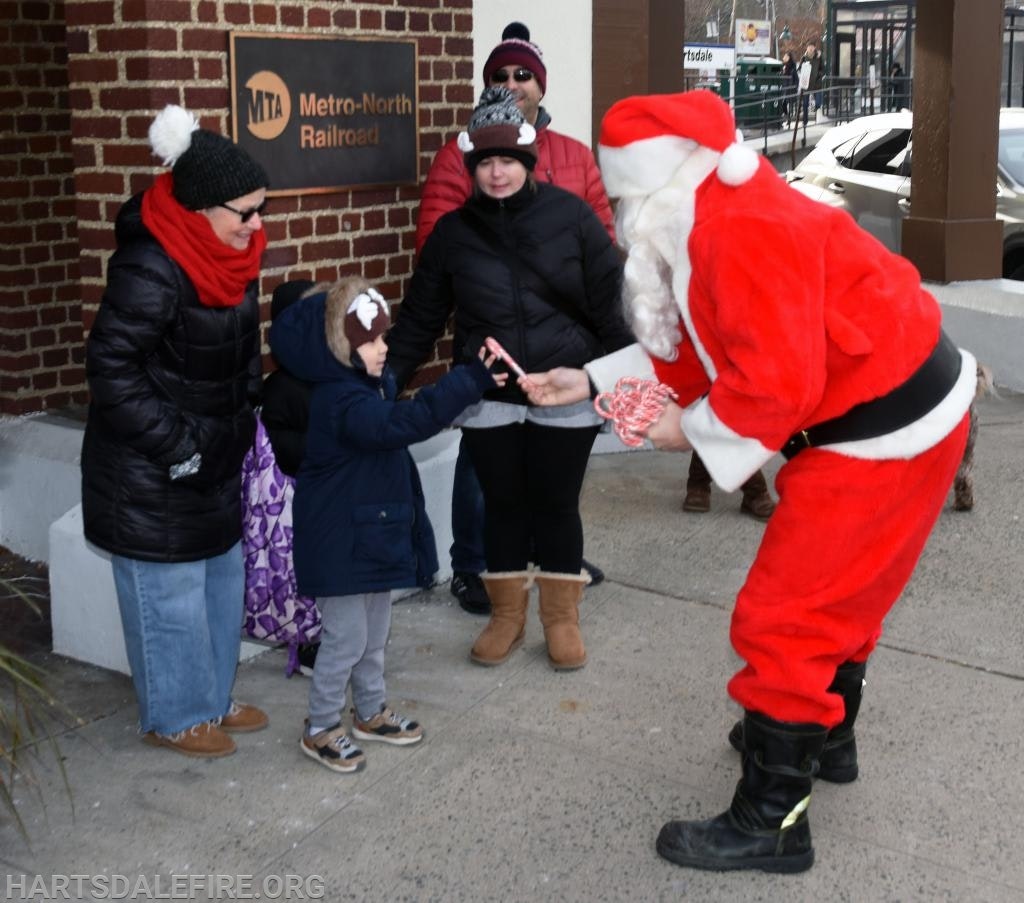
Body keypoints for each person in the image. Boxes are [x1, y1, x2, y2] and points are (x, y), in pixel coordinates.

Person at [521, 89, 974, 872]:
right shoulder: (708, 217)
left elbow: (773, 384)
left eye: (625, 197)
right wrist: (589, 380)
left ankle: (773, 819)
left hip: (883, 426)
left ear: (655, 187)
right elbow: (692, 344)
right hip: (894, 405)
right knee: (842, 596)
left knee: (786, 613)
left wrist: (683, 428)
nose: (622, 217)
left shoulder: (738, 231)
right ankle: (820, 740)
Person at [387, 86, 634, 671]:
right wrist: (385, 381)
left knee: (554, 504)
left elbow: (611, 309)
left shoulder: (571, 218)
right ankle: (506, 617)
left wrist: (617, 381)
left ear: (528, 161)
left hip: (566, 388)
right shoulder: (454, 234)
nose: (497, 173)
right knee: (501, 506)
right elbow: (422, 316)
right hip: (487, 395)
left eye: (508, 161)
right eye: (486, 162)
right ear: (472, 167)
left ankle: (560, 618)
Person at [81, 104, 271, 758]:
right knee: (170, 595)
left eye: (260, 209)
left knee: (220, 583)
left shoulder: (233, 257)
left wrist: (245, 419)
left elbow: (245, 355)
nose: (257, 224)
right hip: (152, 466)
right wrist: (179, 445)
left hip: (213, 455)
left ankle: (212, 697)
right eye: (244, 211)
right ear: (199, 209)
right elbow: (110, 366)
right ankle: (175, 713)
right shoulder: (151, 266)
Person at [415, 21, 615, 616]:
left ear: (540, 85)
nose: (512, 82)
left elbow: (601, 244)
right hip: (495, 353)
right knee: (486, 478)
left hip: (563, 352)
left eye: (522, 74)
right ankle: (476, 568)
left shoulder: (573, 157)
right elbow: (439, 253)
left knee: (555, 490)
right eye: (500, 74)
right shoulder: (461, 154)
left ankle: (552, 573)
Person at [268, 277, 504, 772]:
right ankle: (319, 727)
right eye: (371, 342)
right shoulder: (341, 403)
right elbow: (402, 425)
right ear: (340, 351)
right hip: (341, 546)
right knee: (345, 640)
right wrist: (465, 380)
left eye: (382, 337)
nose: (383, 349)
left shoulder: (364, 390)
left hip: (366, 537)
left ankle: (370, 711)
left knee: (375, 634)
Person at [241, 280, 321, 677]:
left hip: (329, 497)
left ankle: (331, 637)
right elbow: (285, 449)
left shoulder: (331, 379)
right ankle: (307, 643)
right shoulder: (283, 389)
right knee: (301, 579)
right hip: (296, 503)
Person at [801, 41, 825, 123]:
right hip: (806, 84)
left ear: (814, 48)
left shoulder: (819, 57)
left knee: (818, 103)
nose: (810, 48)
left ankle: (817, 115)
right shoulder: (804, 58)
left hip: (817, 83)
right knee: (805, 104)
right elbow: (800, 69)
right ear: (807, 48)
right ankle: (805, 121)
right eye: (809, 46)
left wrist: (819, 75)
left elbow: (823, 69)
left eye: (812, 46)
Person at [780, 50, 798, 124]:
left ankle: (789, 118)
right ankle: (787, 117)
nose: (784, 57)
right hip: (784, 87)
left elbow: (796, 78)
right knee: (783, 104)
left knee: (787, 103)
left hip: (789, 87)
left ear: (789, 58)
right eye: (784, 56)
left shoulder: (792, 67)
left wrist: (795, 86)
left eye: (786, 56)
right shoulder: (782, 66)